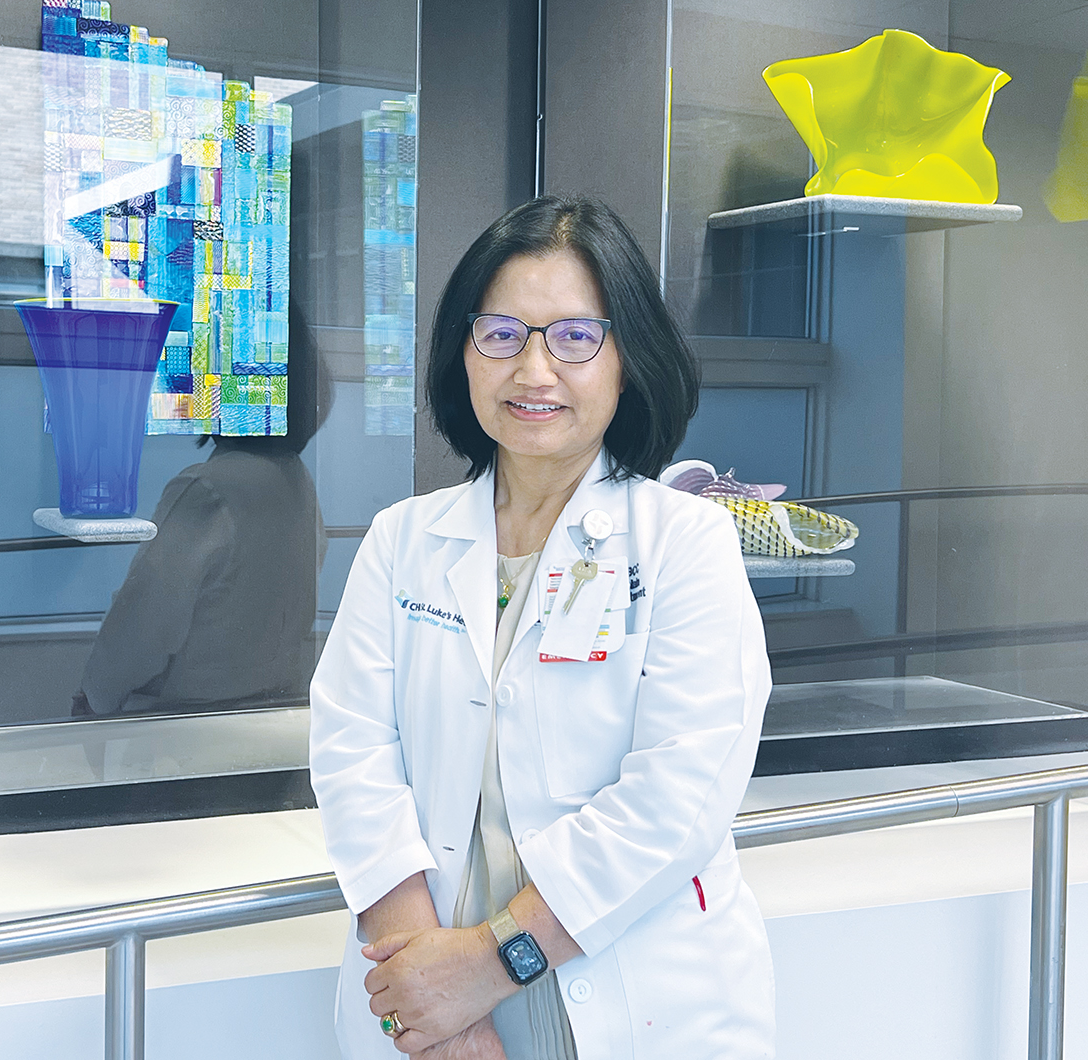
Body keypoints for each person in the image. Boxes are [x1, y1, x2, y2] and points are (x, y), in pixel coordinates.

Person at [308, 196, 776, 1059]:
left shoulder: (685, 543)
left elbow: (680, 796)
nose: (533, 370)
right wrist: (435, 1009)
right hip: (431, 1005)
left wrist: (489, 965)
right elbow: (352, 758)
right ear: (463, 352)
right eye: (501, 335)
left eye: (574, 337)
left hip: (630, 1000)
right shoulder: (402, 541)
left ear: (627, 360)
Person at [72, 304, 332, 717]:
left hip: (183, 723)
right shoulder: (296, 478)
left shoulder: (207, 489)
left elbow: (141, 626)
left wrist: (91, 700)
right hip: (268, 711)